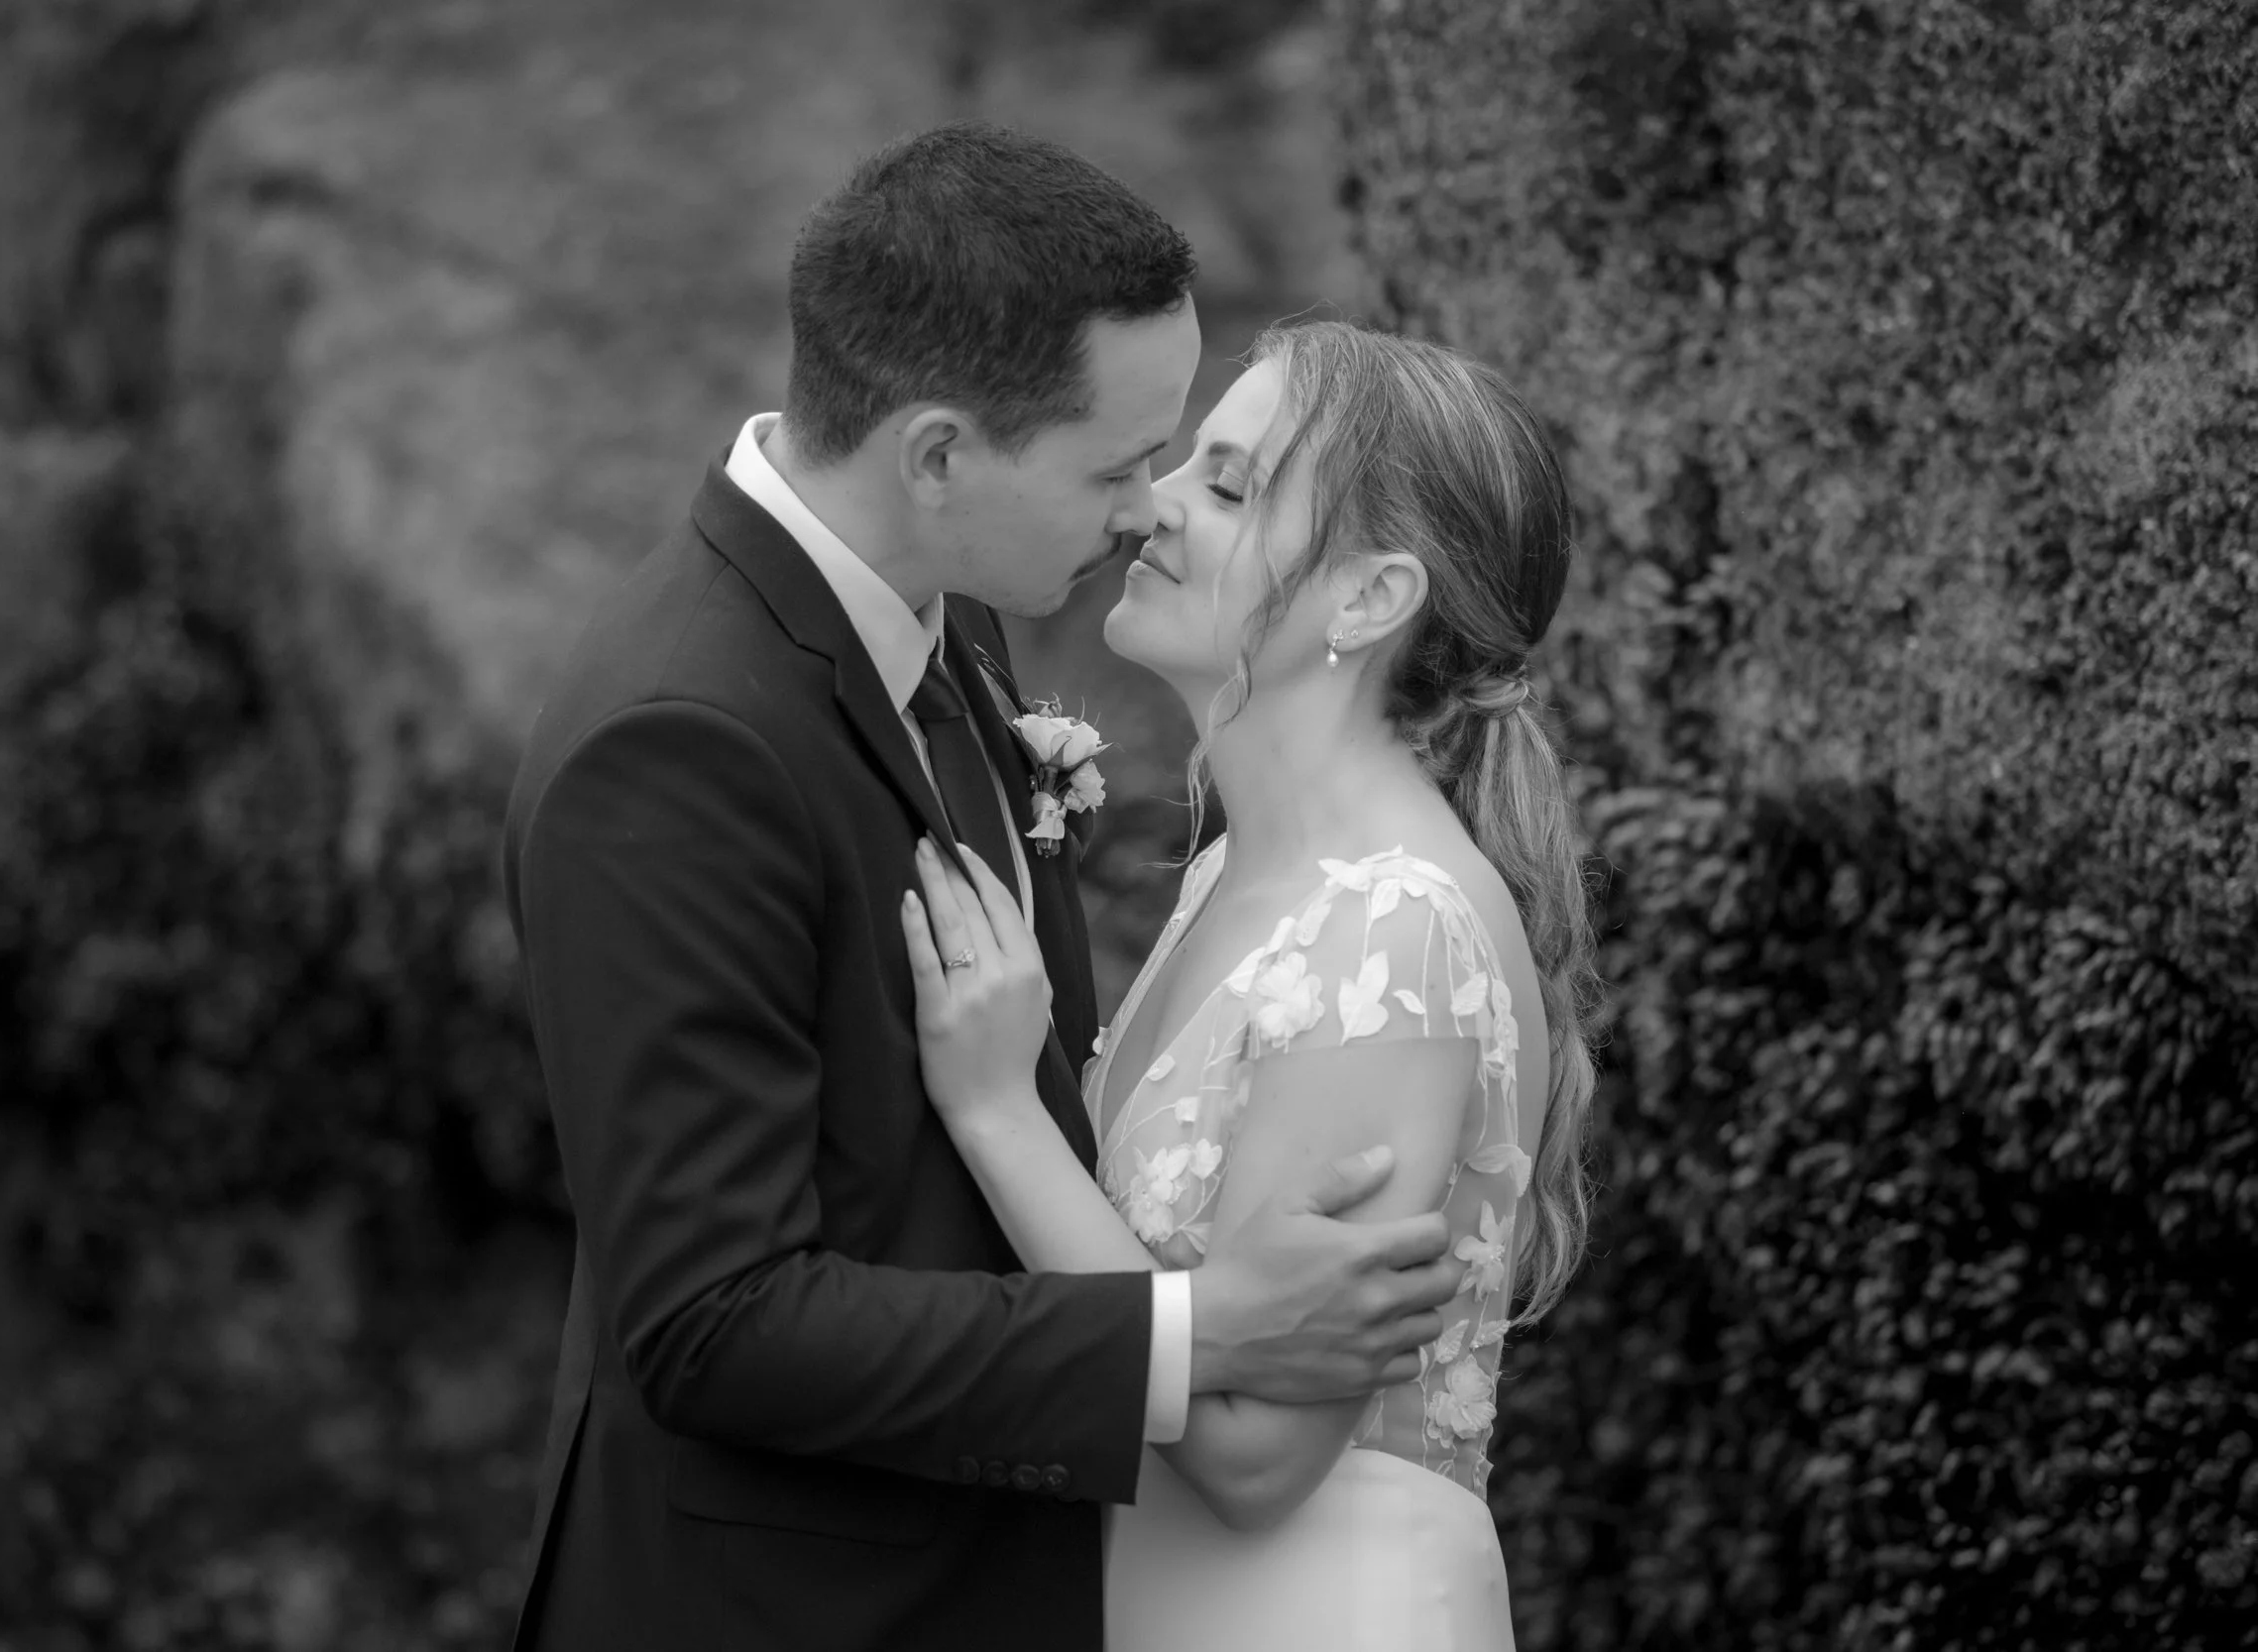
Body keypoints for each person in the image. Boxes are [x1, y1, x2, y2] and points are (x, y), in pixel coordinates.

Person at [502, 125, 1472, 1652]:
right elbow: (713, 1324)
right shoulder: (678, 743)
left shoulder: (941, 630)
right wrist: (1200, 1324)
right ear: (940, 453)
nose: (1152, 507)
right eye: (1120, 462)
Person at [901, 317, 1602, 1650]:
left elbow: (1253, 1453)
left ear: (1368, 601)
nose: (1150, 505)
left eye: (1226, 485)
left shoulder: (1400, 929)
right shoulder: (1236, 875)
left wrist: (998, 1112)